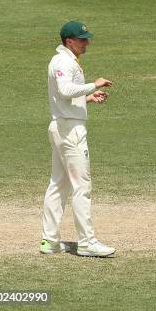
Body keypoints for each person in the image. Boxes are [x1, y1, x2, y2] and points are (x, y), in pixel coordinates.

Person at [40, 21, 115, 257]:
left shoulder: (66, 60)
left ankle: (50, 241)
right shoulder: (62, 61)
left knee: (59, 184)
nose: (87, 42)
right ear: (69, 41)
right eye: (82, 39)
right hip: (70, 131)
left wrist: (89, 98)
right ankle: (86, 242)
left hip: (63, 126)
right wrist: (94, 84)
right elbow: (64, 90)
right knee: (81, 186)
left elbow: (65, 97)